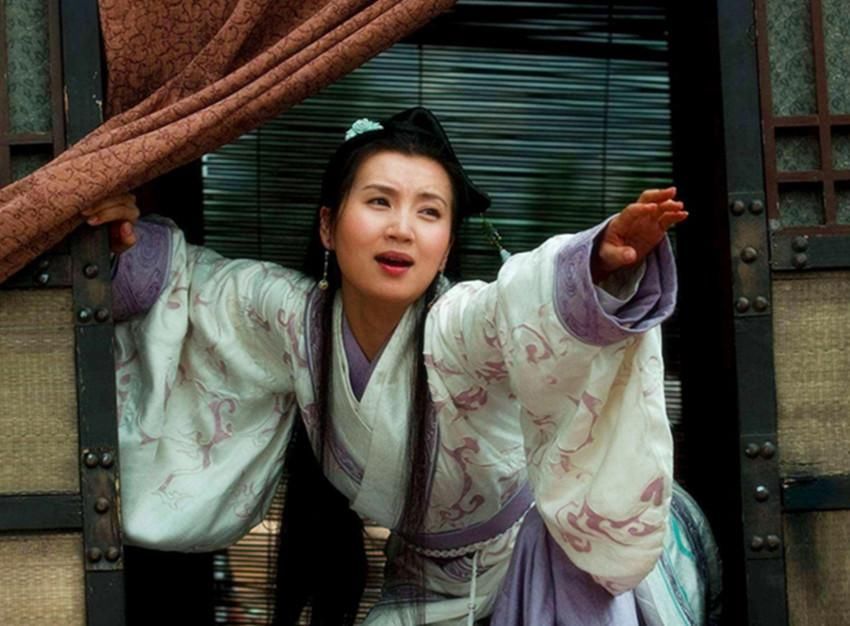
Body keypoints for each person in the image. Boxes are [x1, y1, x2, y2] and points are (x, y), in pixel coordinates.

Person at [86, 107, 720, 625]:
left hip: (536, 564)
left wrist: (597, 263)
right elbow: (190, 286)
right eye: (379, 201)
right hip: (423, 579)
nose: (402, 229)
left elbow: (516, 303)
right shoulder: (292, 320)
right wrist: (108, 249)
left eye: (429, 211)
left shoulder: (457, 326)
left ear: (447, 243)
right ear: (329, 225)